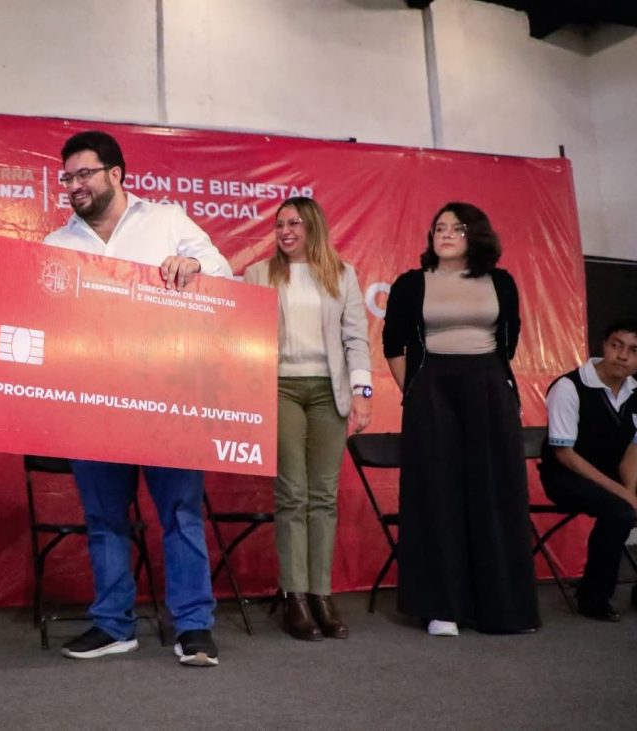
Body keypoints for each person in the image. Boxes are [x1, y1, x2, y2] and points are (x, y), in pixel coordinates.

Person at [44, 130, 232, 667]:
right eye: (67, 177)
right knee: (104, 517)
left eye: (84, 174)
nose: (74, 185)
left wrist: (195, 267)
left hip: (168, 396)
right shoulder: (56, 245)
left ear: (116, 174)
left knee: (181, 512)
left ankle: (193, 626)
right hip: (92, 402)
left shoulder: (167, 220)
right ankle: (113, 624)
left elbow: (223, 270)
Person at [382, 201, 539, 636]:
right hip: (432, 389)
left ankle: (501, 608)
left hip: (488, 386)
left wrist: (488, 380)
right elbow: (393, 344)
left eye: (456, 228)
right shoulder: (412, 283)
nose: (446, 234)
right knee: (437, 493)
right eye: (439, 228)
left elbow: (508, 341)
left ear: (476, 235)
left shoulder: (501, 281)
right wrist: (416, 391)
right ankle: (442, 608)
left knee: (494, 490)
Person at [243, 197, 371, 641]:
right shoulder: (258, 274)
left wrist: (363, 392)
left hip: (328, 392)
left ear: (313, 226)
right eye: (279, 224)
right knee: (293, 493)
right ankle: (294, 596)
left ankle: (322, 595)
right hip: (280, 388)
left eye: (294, 223)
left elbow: (356, 339)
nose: (285, 231)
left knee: (324, 496)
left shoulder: (343, 274)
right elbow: (247, 336)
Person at [539, 319, 637, 621]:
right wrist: (624, 496)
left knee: (624, 504)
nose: (622, 356)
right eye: (616, 346)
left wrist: (630, 491)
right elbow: (565, 454)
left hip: (613, 476)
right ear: (604, 346)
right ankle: (593, 597)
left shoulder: (635, 392)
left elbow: (632, 450)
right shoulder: (569, 387)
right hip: (566, 477)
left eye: (633, 350)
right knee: (619, 511)